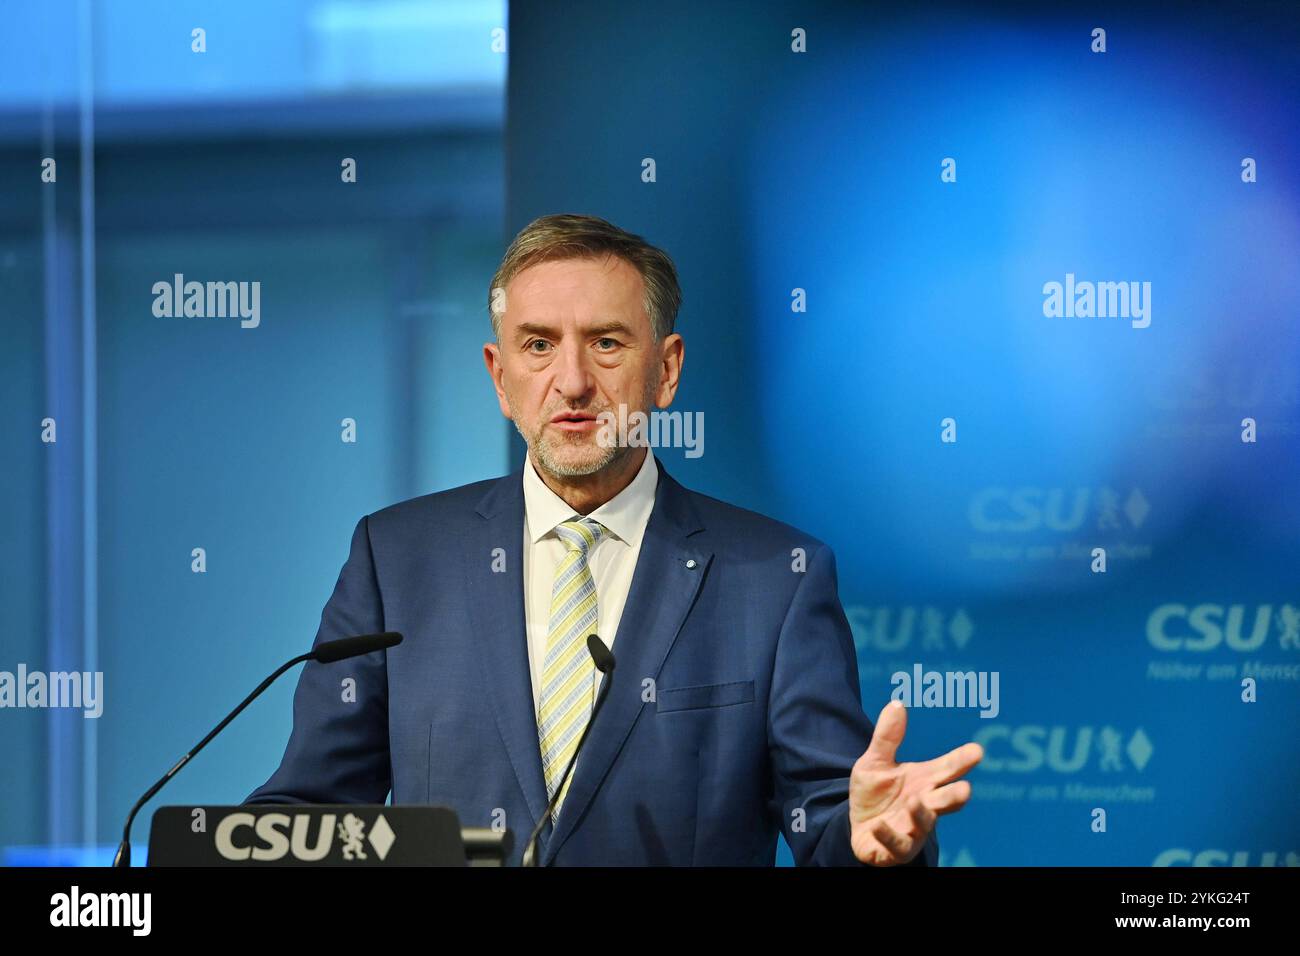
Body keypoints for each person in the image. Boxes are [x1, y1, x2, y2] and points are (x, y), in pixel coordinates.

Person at [245, 213, 983, 866]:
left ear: (665, 370)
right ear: (500, 378)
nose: (571, 382)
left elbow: (835, 827)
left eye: (605, 343)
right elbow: (309, 819)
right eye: (538, 345)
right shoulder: (397, 560)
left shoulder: (776, 578)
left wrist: (880, 847)